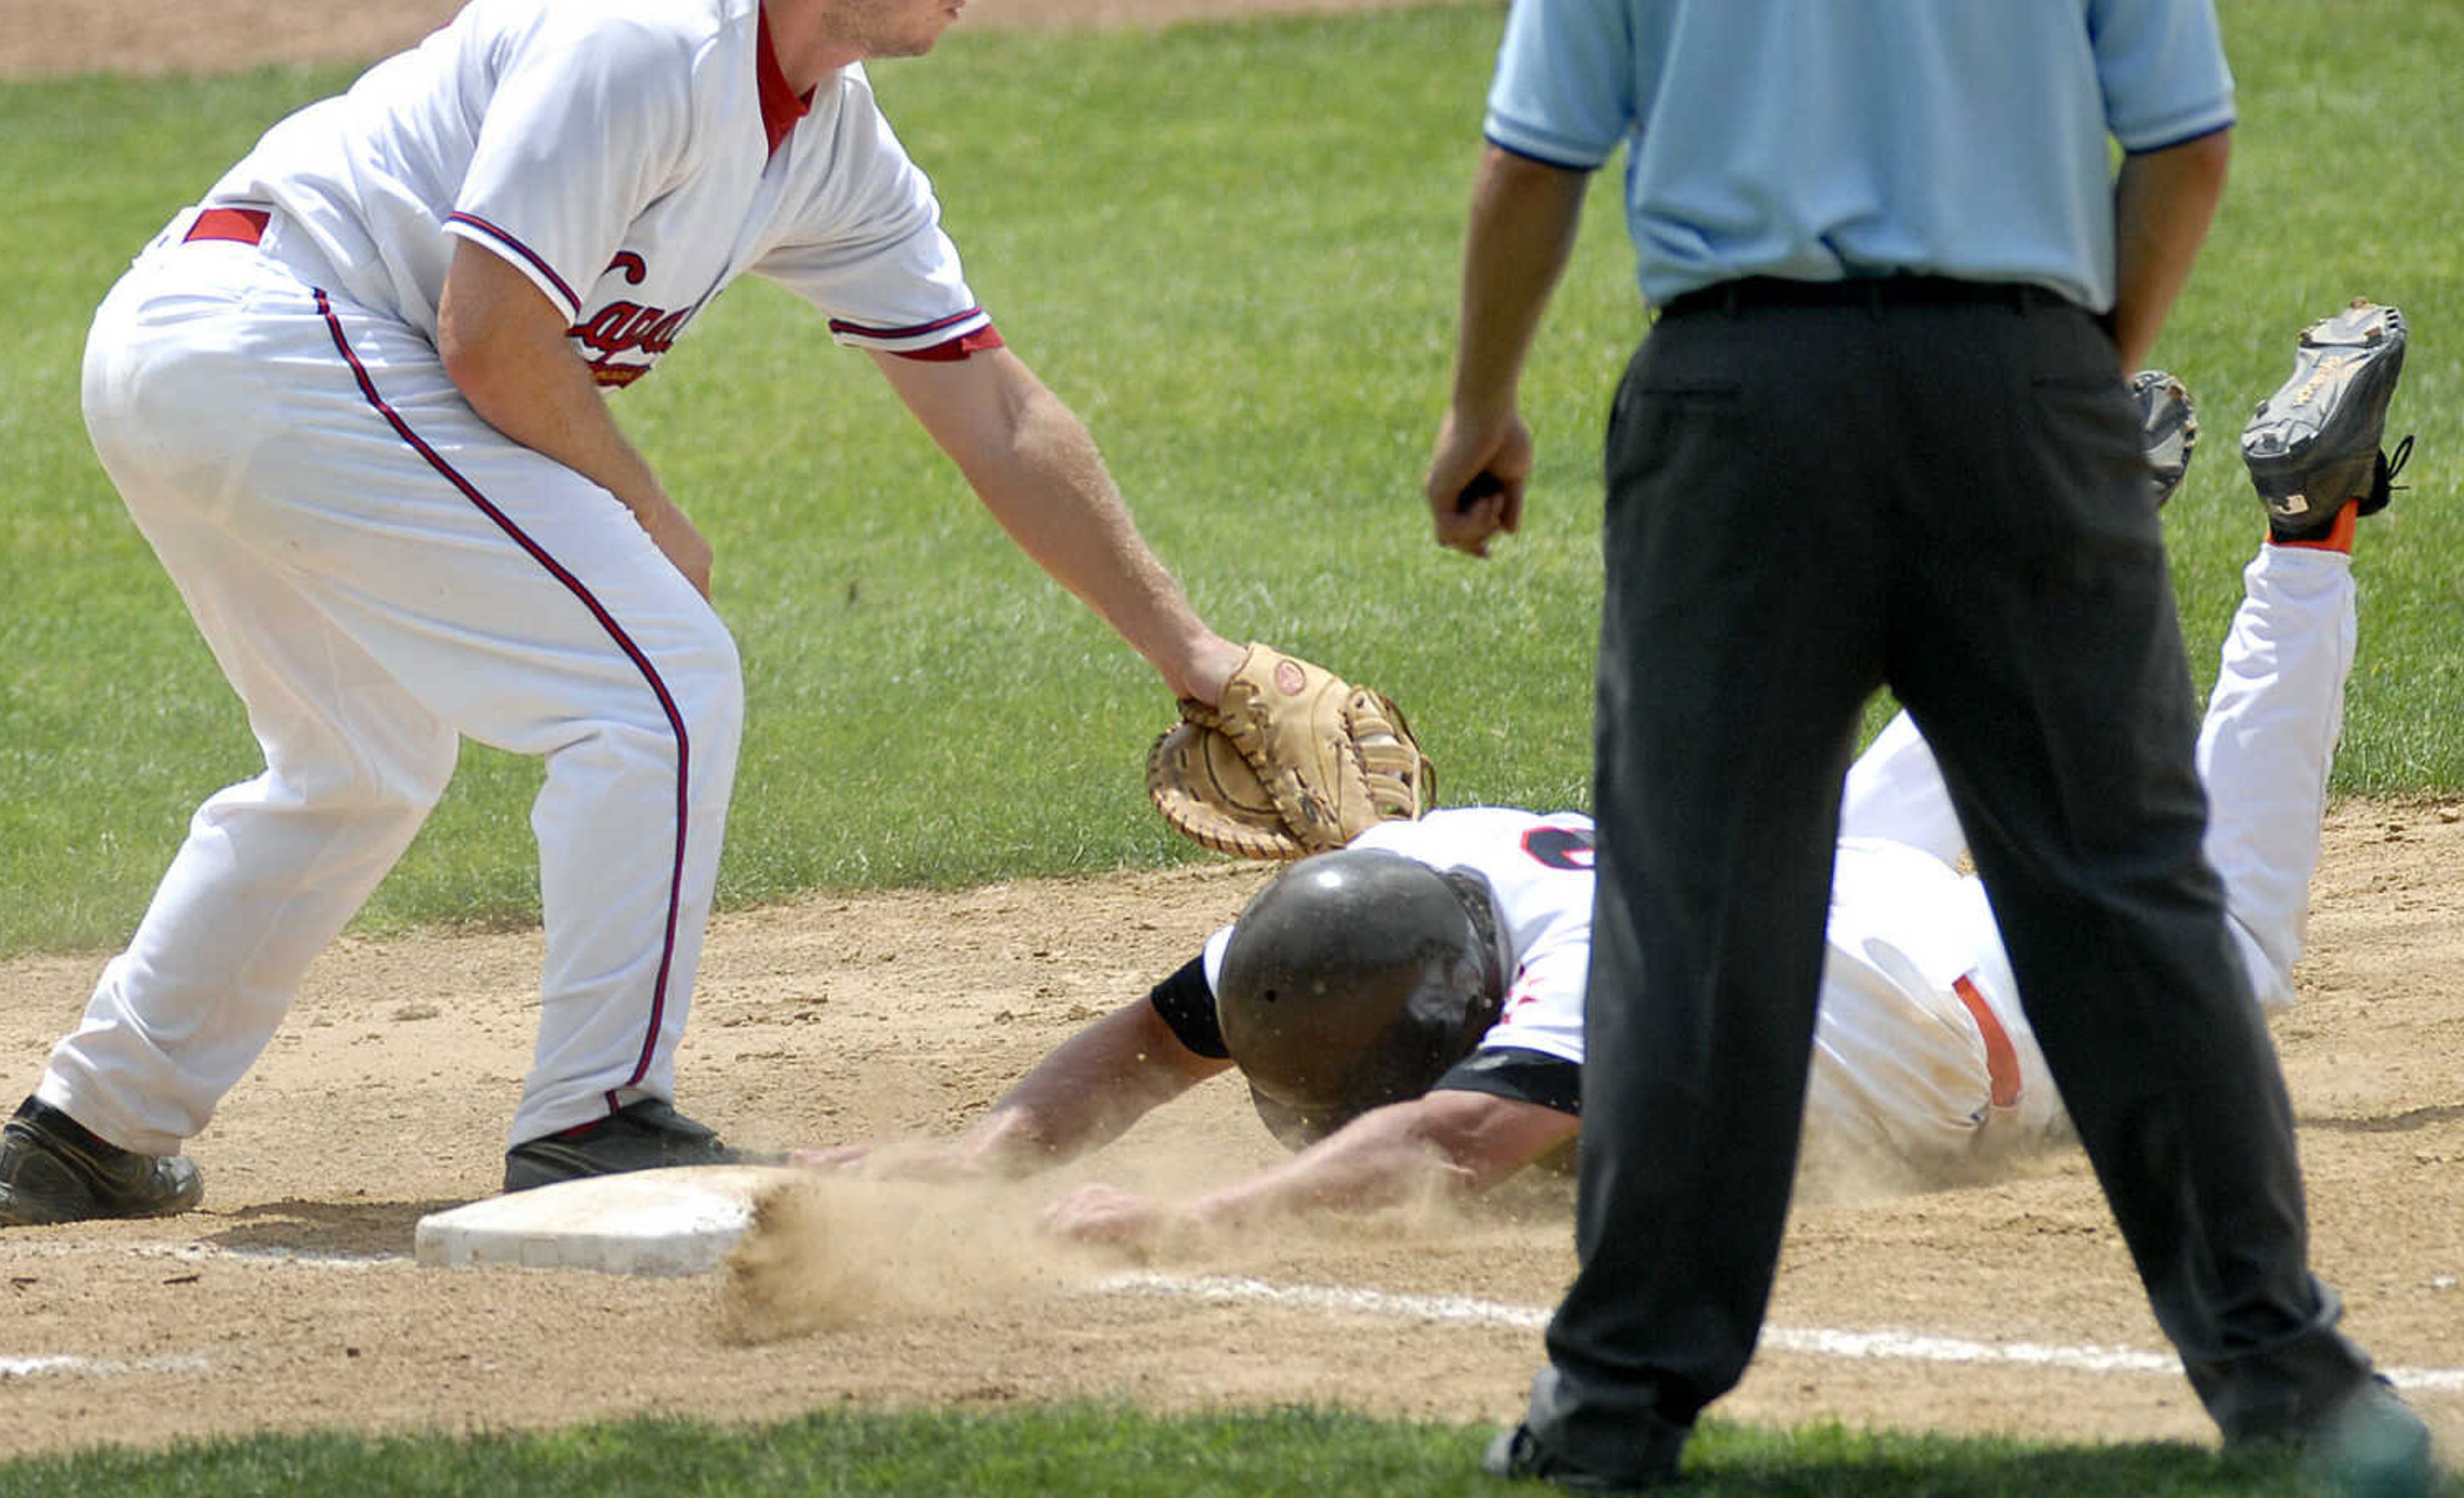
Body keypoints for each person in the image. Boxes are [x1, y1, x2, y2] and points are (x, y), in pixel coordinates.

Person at [1414, 0, 2430, 1488]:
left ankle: (1615, 1410)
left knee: (1699, 906)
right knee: (2124, 896)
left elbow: (1532, 160)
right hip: (2022, 381)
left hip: (1735, 410)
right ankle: (2291, 1384)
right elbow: (2185, 145)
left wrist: (1482, 410)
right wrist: (2068, 376)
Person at [0, 0, 1261, 1225]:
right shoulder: (649, 37)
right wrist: (647, 506)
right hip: (271, 331)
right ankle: (596, 1117)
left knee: (360, 759)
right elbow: (490, 333)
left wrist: (1194, 656)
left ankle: (91, 1124)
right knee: (654, 674)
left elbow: (993, 405)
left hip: (230, 360)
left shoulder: (830, 138)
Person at [794, 378, 2392, 1254]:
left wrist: (1186, 1219)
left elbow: (1460, 1132)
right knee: (1881, 814)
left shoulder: (1574, 997)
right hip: (1795, 879)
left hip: (1931, 988)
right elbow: (1155, 1035)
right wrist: (983, 1155)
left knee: (2225, 963)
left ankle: (2302, 538)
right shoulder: (1392, 882)